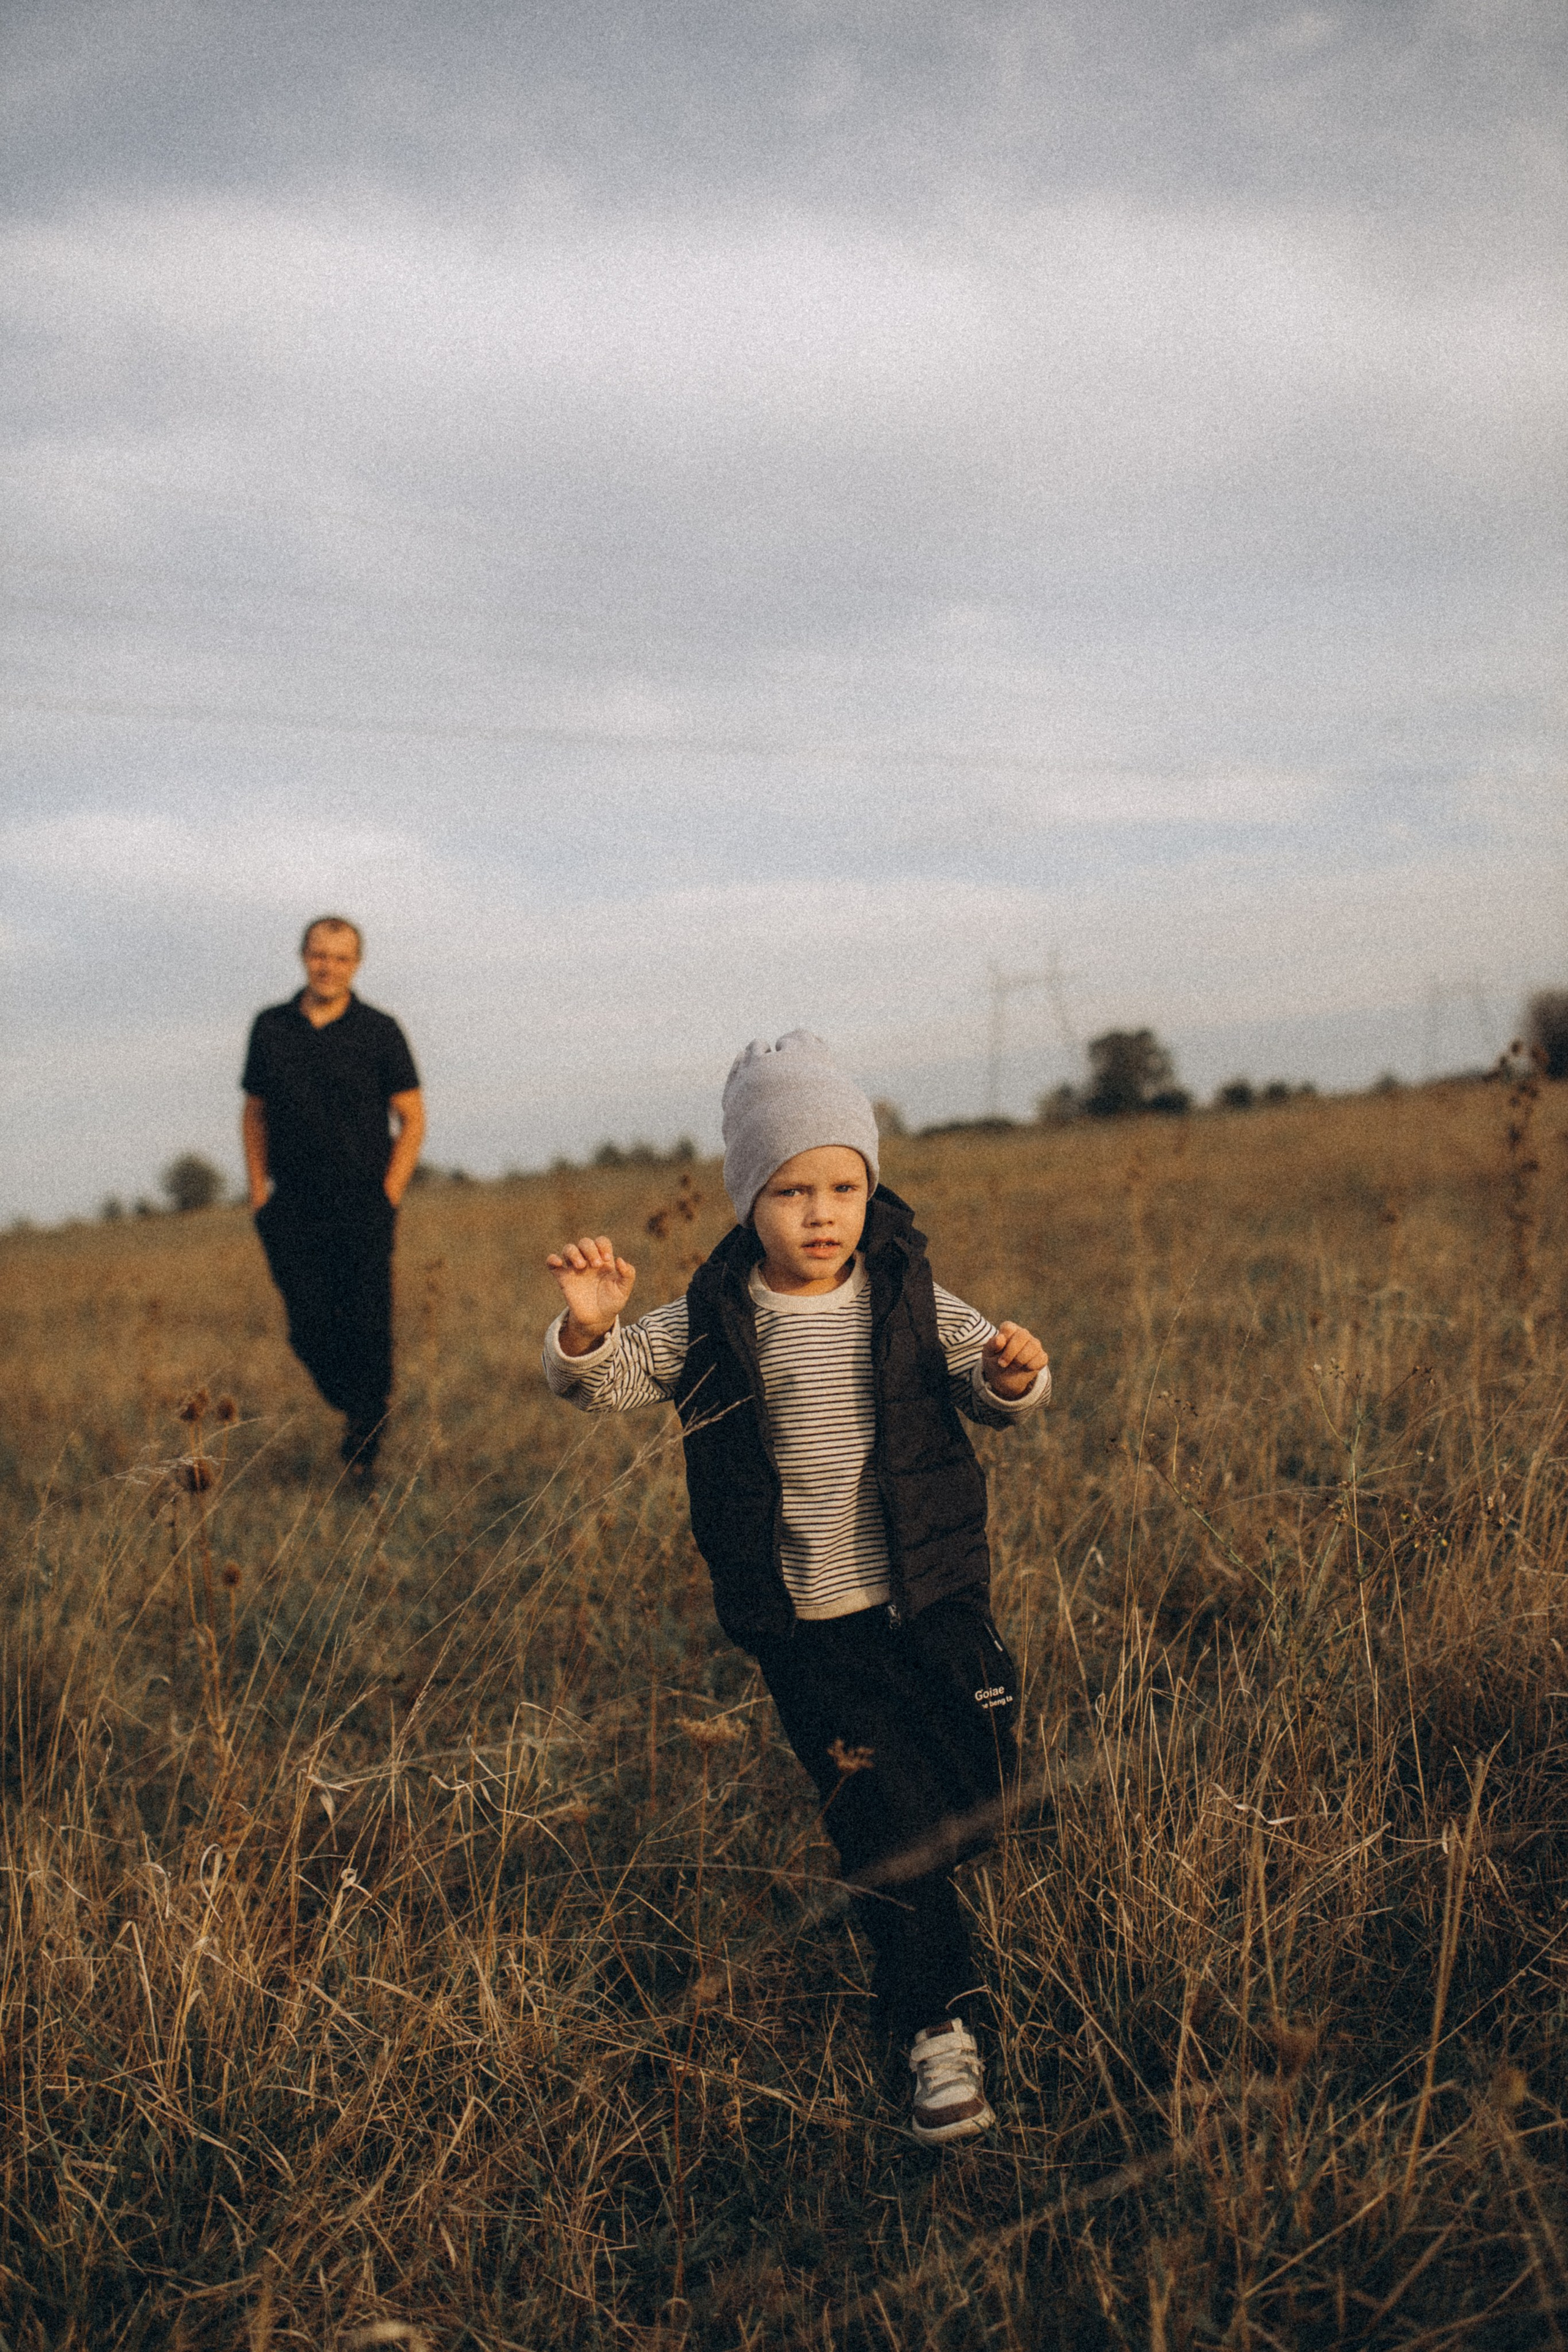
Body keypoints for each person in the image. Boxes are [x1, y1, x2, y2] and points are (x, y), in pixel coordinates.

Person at [543, 1030, 1050, 2144]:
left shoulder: (910, 1295)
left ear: (871, 1187)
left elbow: (987, 1378)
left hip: (934, 1597)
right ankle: (935, 2027)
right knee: (882, 1820)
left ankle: (937, 1857)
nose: (820, 1214)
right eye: (788, 1191)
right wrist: (586, 1332)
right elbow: (614, 1380)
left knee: (982, 1780)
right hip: (808, 1625)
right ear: (745, 1200)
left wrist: (1016, 1373)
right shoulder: (716, 1316)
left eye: (842, 1186)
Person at [242, 916, 424, 1479]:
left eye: (341, 958)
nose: (328, 967)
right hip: (291, 1206)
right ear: (303, 956)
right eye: (319, 955)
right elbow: (255, 1113)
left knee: (368, 1322)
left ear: (356, 964)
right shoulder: (271, 1028)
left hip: (362, 1204)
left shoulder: (379, 1030)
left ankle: (364, 1444)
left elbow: (412, 1117)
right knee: (308, 1328)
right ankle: (359, 1406)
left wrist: (389, 1194)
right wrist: (257, 1193)